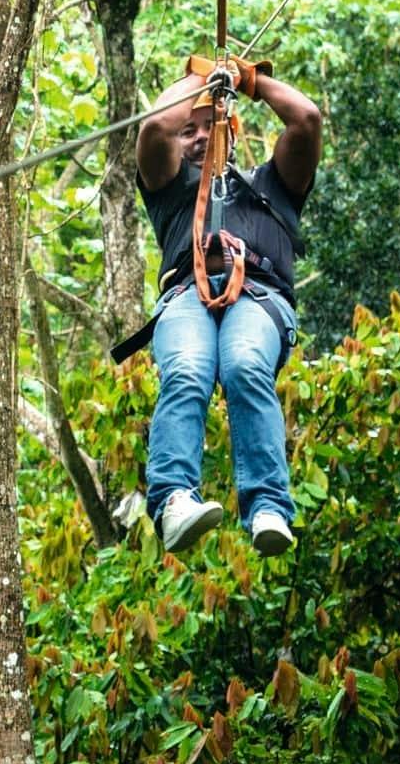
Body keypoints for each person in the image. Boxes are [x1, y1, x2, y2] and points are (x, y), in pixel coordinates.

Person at [111, 56, 322, 556]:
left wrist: (249, 80)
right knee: (186, 369)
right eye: (190, 131)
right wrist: (202, 76)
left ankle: (269, 505)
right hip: (186, 295)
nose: (199, 137)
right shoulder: (171, 191)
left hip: (259, 296)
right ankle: (175, 500)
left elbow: (307, 119)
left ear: (230, 128)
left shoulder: (274, 186)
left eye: (209, 126)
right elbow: (156, 128)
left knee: (246, 363)